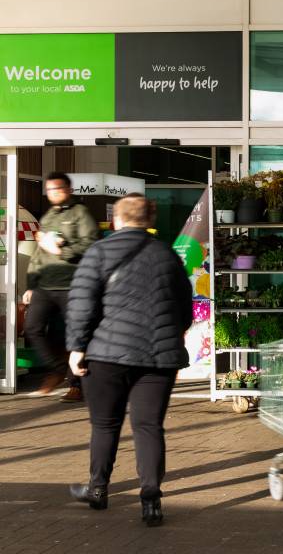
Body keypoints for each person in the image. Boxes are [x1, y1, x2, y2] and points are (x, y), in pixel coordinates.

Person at [66, 194, 193, 527]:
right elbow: (184, 308)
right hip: (157, 357)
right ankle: (151, 499)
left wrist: (76, 347)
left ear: (116, 220)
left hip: (106, 355)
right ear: (149, 221)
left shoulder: (98, 252)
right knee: (148, 427)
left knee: (105, 425)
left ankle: (98, 489)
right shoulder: (167, 255)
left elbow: (81, 303)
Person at [24, 171, 99, 401]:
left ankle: (77, 385)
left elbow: (92, 244)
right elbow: (39, 253)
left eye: (57, 189)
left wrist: (63, 250)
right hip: (45, 285)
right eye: (49, 190)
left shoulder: (80, 213)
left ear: (68, 190)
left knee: (75, 334)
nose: (52, 193)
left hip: (72, 285)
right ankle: (56, 369)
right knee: (32, 328)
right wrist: (31, 284)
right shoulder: (47, 217)